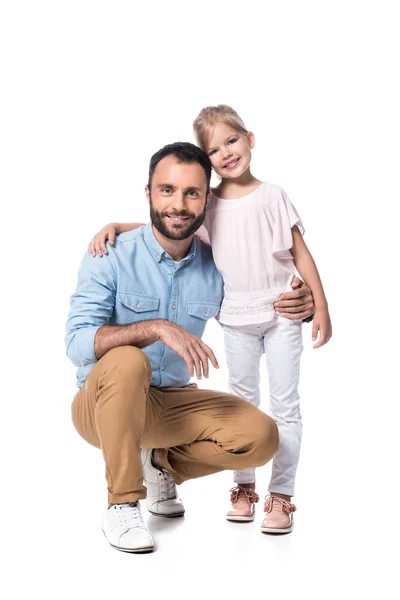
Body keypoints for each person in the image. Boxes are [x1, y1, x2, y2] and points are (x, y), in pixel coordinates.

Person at [87, 105, 330, 535]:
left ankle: (276, 494)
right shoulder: (192, 214)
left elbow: (296, 254)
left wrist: (315, 303)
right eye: (215, 149)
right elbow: (165, 224)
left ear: (250, 139)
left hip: (268, 324)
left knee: (277, 413)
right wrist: (115, 225)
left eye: (232, 141)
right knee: (228, 394)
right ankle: (211, 494)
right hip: (217, 329)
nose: (226, 153)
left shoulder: (262, 203)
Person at [66, 142, 283, 554]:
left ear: (207, 200)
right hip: (100, 405)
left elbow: (256, 305)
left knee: (261, 435)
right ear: (148, 193)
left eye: (191, 193)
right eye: (167, 190)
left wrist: (300, 303)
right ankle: (122, 503)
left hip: (171, 405)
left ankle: (159, 464)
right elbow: (77, 345)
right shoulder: (109, 254)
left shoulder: (216, 262)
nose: (178, 204)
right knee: (129, 360)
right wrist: (156, 328)